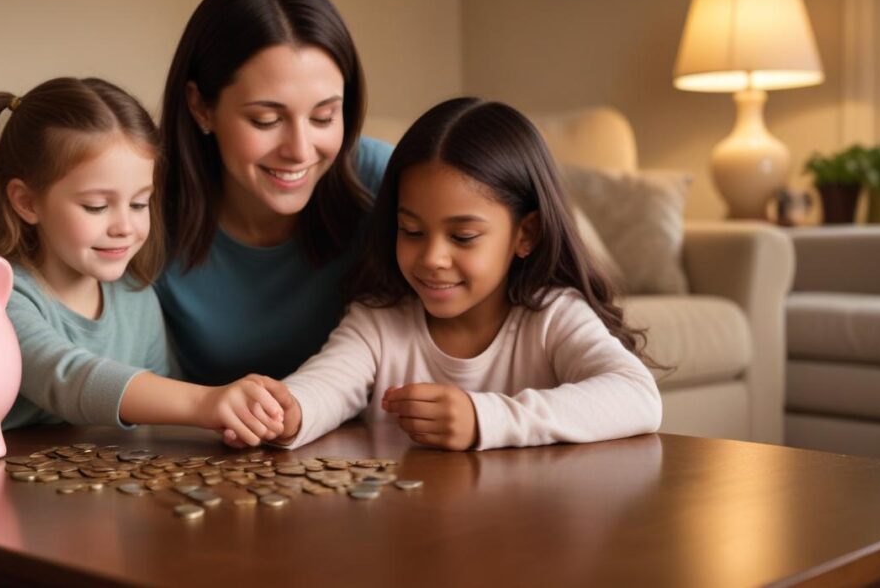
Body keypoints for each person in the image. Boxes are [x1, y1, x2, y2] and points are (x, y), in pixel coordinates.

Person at [269, 98, 663, 451]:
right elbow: (326, 385)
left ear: (525, 235)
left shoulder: (552, 316)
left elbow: (635, 395)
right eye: (412, 231)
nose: (432, 258)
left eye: (463, 236)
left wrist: (483, 418)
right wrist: (288, 410)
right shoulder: (379, 319)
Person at [0, 77, 287, 446]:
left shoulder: (137, 297)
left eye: (139, 203)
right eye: (97, 206)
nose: (125, 227)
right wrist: (204, 402)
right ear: (27, 202)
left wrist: (228, 422)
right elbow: (69, 378)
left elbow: (159, 406)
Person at [156, 0, 393, 386]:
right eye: (266, 120)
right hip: (200, 443)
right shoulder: (142, 206)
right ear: (201, 107)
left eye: (324, 116)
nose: (300, 150)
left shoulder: (385, 181)